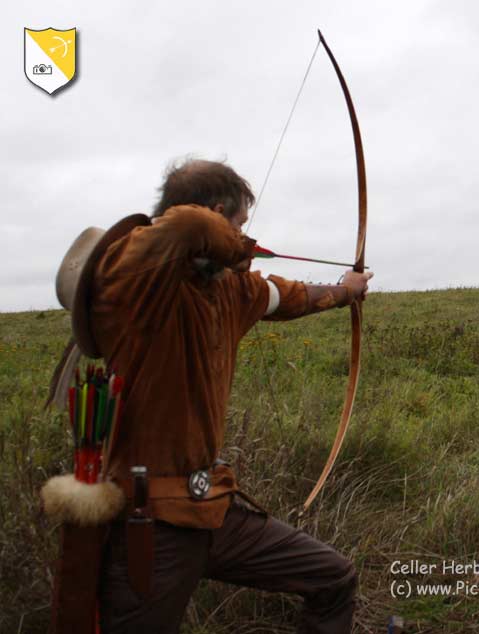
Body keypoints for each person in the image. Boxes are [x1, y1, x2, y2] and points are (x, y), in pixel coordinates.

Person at [89, 158, 372, 633]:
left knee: (332, 577)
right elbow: (185, 224)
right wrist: (237, 243)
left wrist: (346, 291)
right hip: (149, 520)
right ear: (219, 215)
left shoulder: (229, 291)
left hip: (209, 506)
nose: (246, 237)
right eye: (241, 223)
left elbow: (290, 295)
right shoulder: (135, 278)